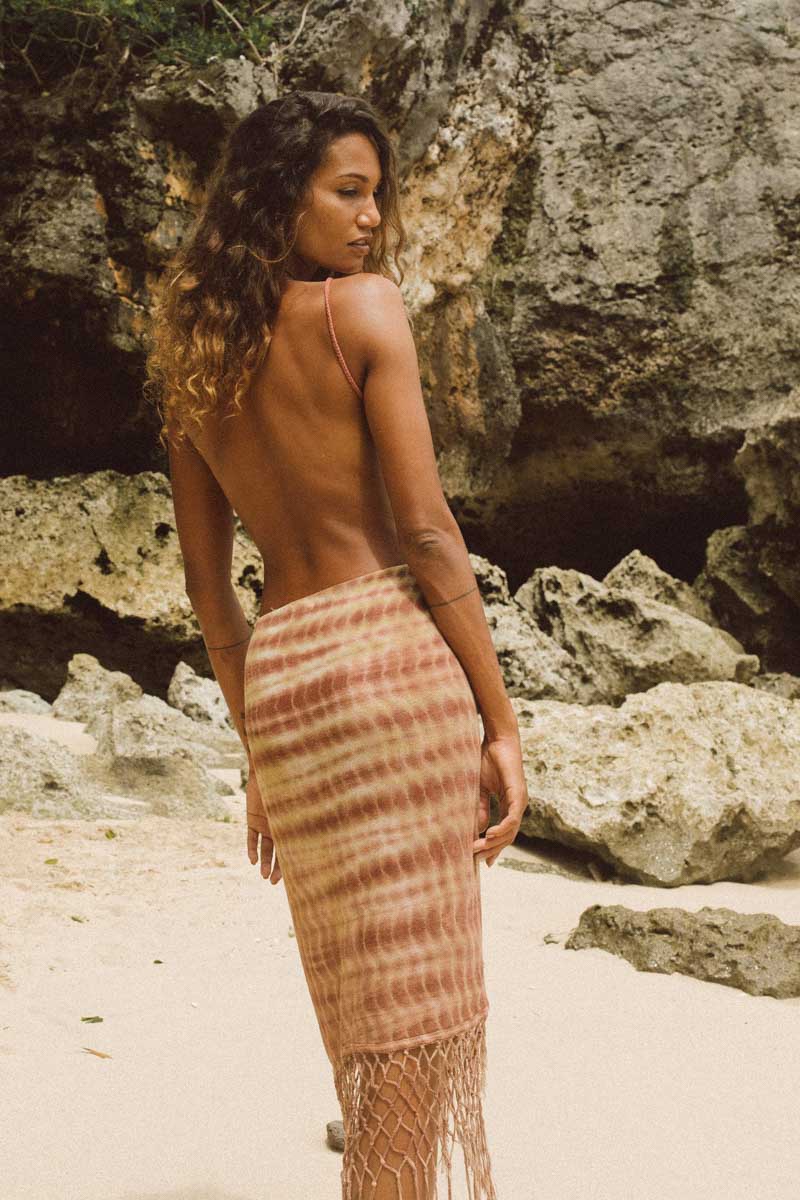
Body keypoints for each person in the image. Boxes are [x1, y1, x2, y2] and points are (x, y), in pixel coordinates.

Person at [145, 90, 528, 1200]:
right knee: (413, 1014)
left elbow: (212, 599)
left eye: (376, 195)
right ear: (281, 196)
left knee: (359, 1007)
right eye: (348, 192)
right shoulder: (361, 310)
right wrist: (501, 721)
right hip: (388, 663)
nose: (371, 219)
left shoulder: (193, 353)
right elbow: (427, 534)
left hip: (288, 681)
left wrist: (259, 751)